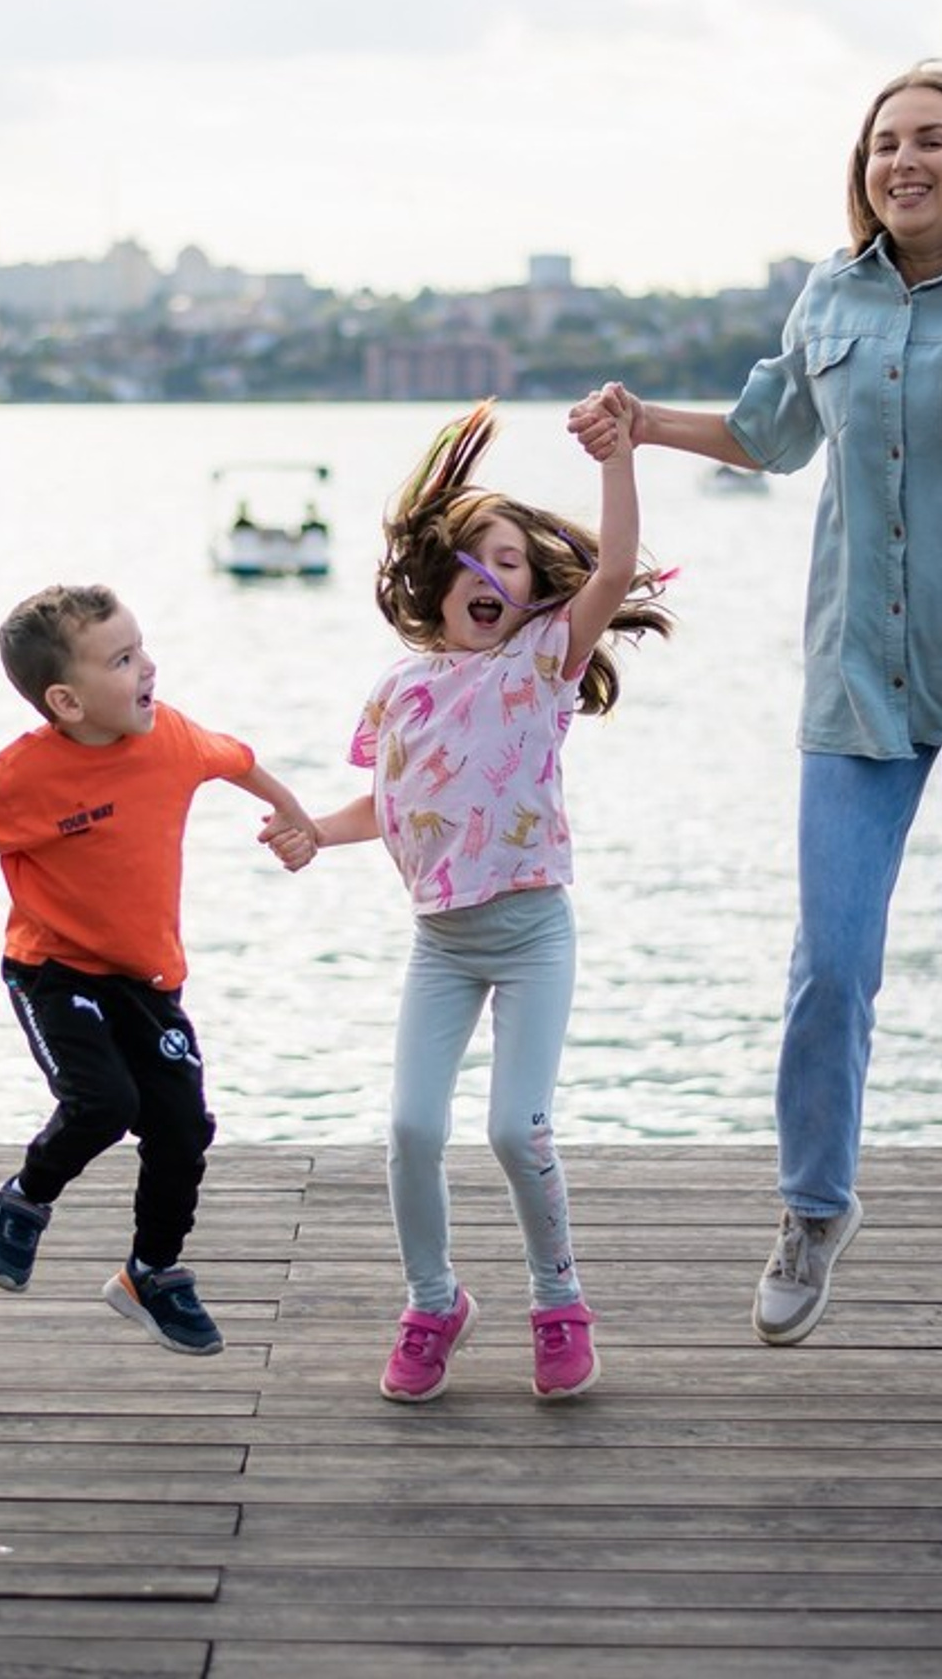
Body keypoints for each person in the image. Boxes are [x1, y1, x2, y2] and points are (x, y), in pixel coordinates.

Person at [568, 58, 942, 1348]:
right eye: (886, 142)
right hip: (857, 677)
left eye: (932, 141)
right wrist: (642, 425)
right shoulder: (828, 295)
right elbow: (770, 435)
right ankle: (812, 1209)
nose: (905, 160)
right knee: (829, 966)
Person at [266, 400, 671, 1401]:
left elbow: (612, 571)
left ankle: (556, 1300)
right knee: (408, 1127)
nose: (492, 576)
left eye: (514, 564)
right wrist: (316, 829)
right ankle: (432, 1301)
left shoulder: (539, 664)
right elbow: (396, 797)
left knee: (511, 1128)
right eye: (475, 559)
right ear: (443, 581)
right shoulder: (401, 685)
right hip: (437, 945)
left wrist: (617, 460)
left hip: (531, 933)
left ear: (532, 593)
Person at [0, 582, 316, 1357]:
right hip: (53, 970)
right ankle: (21, 1203)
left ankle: (150, 1273)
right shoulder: (27, 775)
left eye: (142, 650)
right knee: (102, 1102)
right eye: (123, 661)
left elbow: (241, 762)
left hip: (147, 980)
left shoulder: (172, 738)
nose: (147, 670)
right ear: (65, 700)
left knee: (183, 1125)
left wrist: (295, 820)